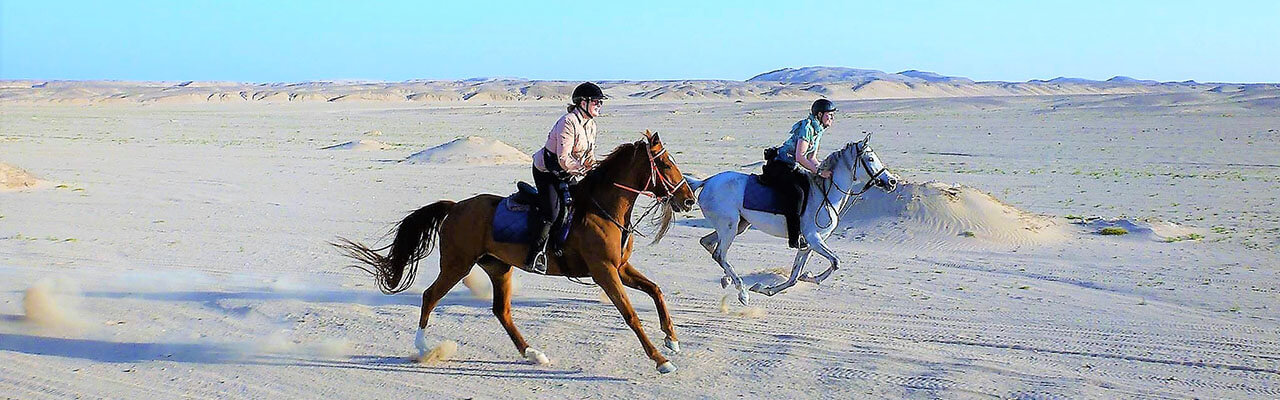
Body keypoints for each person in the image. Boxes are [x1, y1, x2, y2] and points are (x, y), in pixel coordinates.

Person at [526, 82, 606, 273]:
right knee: (553, 212)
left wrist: (595, 169)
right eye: (595, 101)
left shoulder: (591, 125)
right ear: (582, 102)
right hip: (548, 171)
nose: (599, 105)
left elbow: (588, 155)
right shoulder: (568, 121)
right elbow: (564, 158)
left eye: (600, 102)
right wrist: (583, 170)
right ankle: (535, 255)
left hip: (569, 171)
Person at [763, 98, 837, 249]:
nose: (832, 118)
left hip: (791, 166)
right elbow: (800, 156)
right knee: (797, 194)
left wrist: (823, 171)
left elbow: (812, 158)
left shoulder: (818, 131)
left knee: (809, 185)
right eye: (829, 115)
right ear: (820, 114)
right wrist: (818, 172)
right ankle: (794, 237)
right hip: (780, 165)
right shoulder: (807, 128)